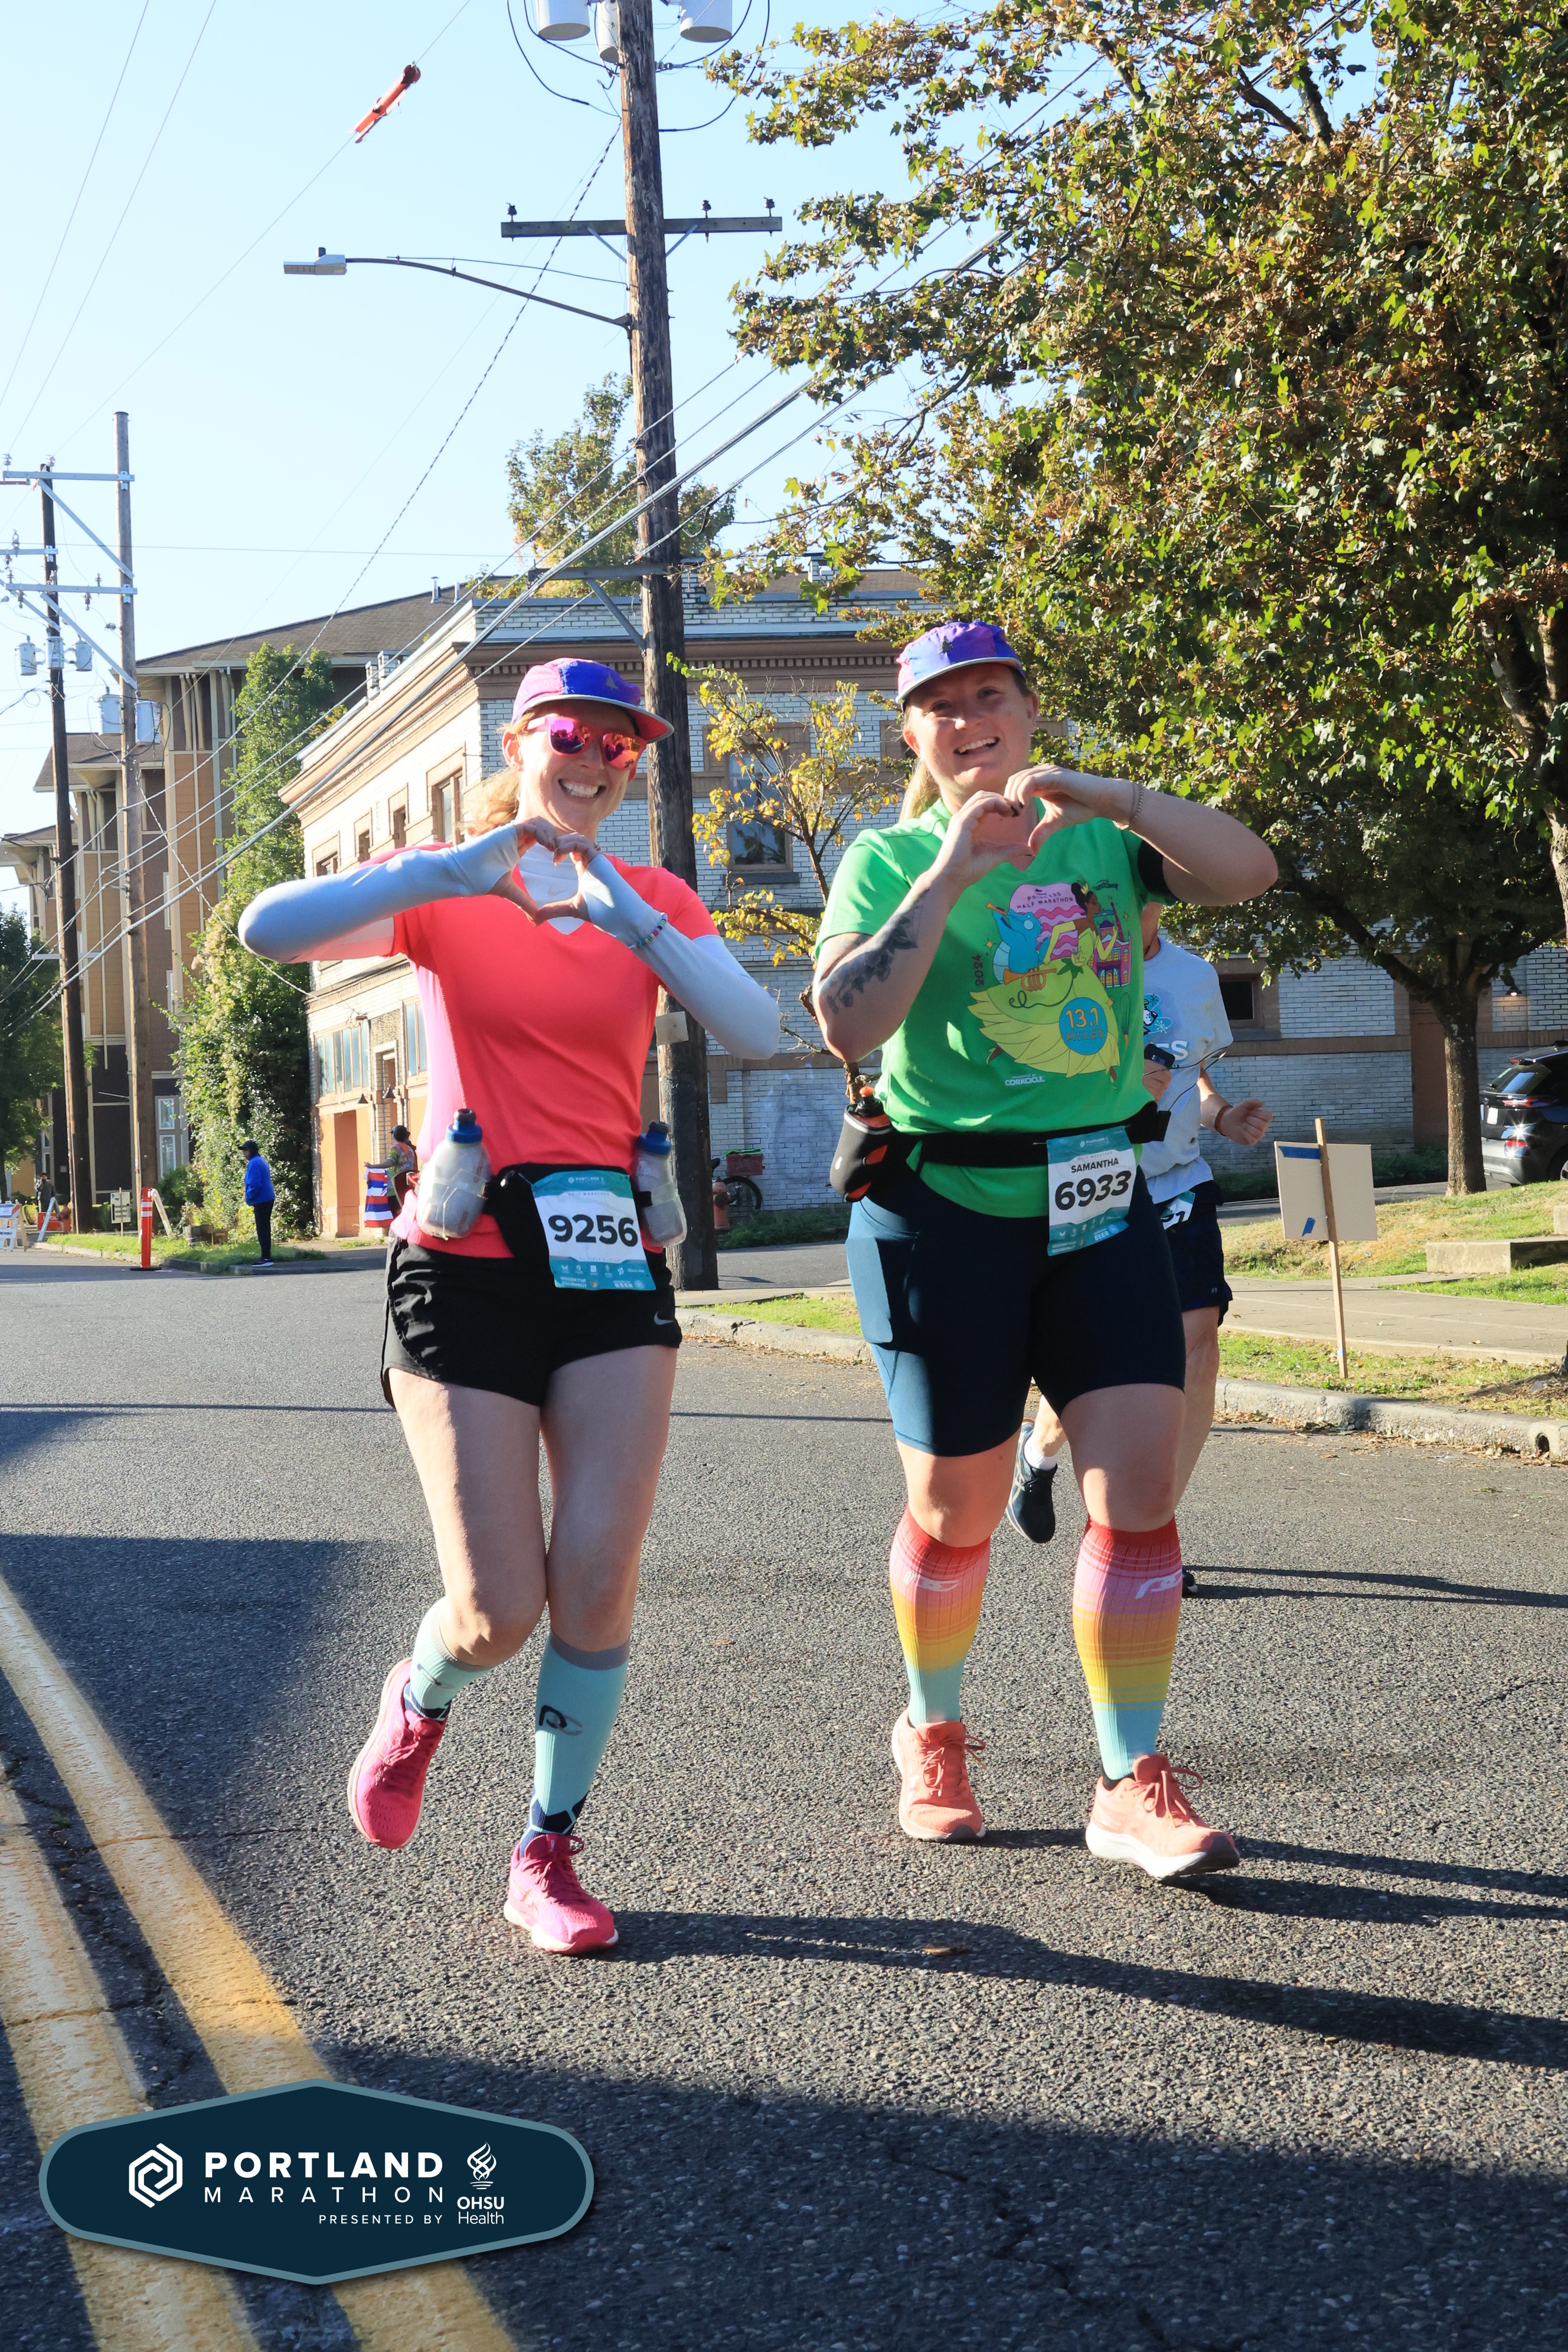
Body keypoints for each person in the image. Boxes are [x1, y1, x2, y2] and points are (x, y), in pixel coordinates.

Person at [239, 657, 779, 1952]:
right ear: (523, 741)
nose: (594, 757)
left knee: (596, 1580)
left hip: (609, 1259)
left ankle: (547, 1848)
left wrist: (629, 918)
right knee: (497, 1608)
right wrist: (449, 870)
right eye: (571, 733)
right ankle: (420, 1695)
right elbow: (268, 929)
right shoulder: (449, 886)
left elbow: (755, 1028)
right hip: (464, 1259)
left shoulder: (652, 898)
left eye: (619, 744)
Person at [814, 620, 1277, 1881]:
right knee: (954, 1508)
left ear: (1027, 709)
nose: (970, 718)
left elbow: (1249, 871)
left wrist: (1113, 795)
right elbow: (846, 1022)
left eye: (991, 694)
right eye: (941, 705)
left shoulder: (1105, 847)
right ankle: (932, 1728)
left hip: (1098, 1204)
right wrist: (950, 870)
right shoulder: (885, 859)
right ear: (911, 734)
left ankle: (1127, 1778)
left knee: (1138, 1496)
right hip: (941, 1211)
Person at [1008, 906, 1275, 1579]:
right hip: (1091, 1181)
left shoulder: (1193, 976)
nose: (1135, 899)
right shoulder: (1057, 967)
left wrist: (1220, 1114)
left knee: (1197, 1351)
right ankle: (1038, 1456)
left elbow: (1191, 1074)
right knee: (1095, 1358)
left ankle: (1146, 1535)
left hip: (1176, 1181)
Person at [243, 1141, 275, 1269]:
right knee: (265, 1228)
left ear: (251, 1151)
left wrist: (249, 1197)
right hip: (267, 1198)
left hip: (261, 1199)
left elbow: (255, 1184)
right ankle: (266, 1256)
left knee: (262, 1229)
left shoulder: (254, 1163)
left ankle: (266, 1258)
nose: (244, 1153)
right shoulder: (261, 1160)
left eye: (246, 1150)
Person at [386, 1123, 418, 1214]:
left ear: (394, 1135)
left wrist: (373, 1167)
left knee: (396, 1215)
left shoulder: (395, 1148)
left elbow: (390, 1163)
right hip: (409, 1188)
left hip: (394, 1189)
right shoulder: (411, 1150)